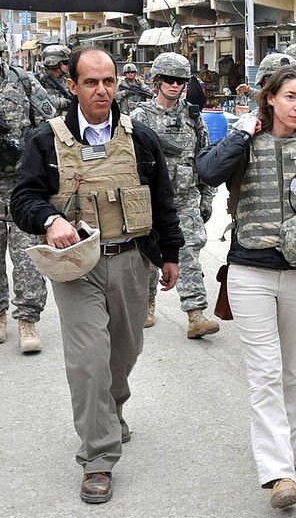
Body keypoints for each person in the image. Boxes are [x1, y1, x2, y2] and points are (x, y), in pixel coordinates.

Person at [11, 46, 183, 504]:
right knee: (89, 362)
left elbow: (163, 199)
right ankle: (98, 458)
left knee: (123, 354)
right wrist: (51, 219)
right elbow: (22, 199)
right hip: (76, 268)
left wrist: (171, 254)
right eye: (91, 82)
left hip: (131, 261)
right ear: (72, 86)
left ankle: (112, 409)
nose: (102, 90)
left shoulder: (141, 139)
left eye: (108, 81)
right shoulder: (45, 141)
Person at [197, 66, 296, 509]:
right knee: (265, 371)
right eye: (290, 96)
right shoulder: (245, 141)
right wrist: (242, 132)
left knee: (292, 369)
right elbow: (207, 172)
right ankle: (277, 472)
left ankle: (284, 442)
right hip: (251, 269)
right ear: (270, 98)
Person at [130, 52, 219, 338]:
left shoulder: (193, 117)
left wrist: (207, 195)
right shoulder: (139, 117)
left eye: (180, 80)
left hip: (184, 199)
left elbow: (205, 159)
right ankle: (147, 304)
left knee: (188, 251)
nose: (174, 85)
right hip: (147, 199)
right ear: (157, 81)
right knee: (146, 254)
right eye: (168, 79)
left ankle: (196, 314)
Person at [0, 49, 55, 353]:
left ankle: (27, 319)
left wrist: (23, 146)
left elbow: (51, 123)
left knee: (27, 255)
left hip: (22, 184)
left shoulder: (23, 82)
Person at [38, 44, 74, 115]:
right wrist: (62, 102)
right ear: (55, 62)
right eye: (65, 63)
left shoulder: (66, 79)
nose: (68, 66)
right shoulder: (39, 81)